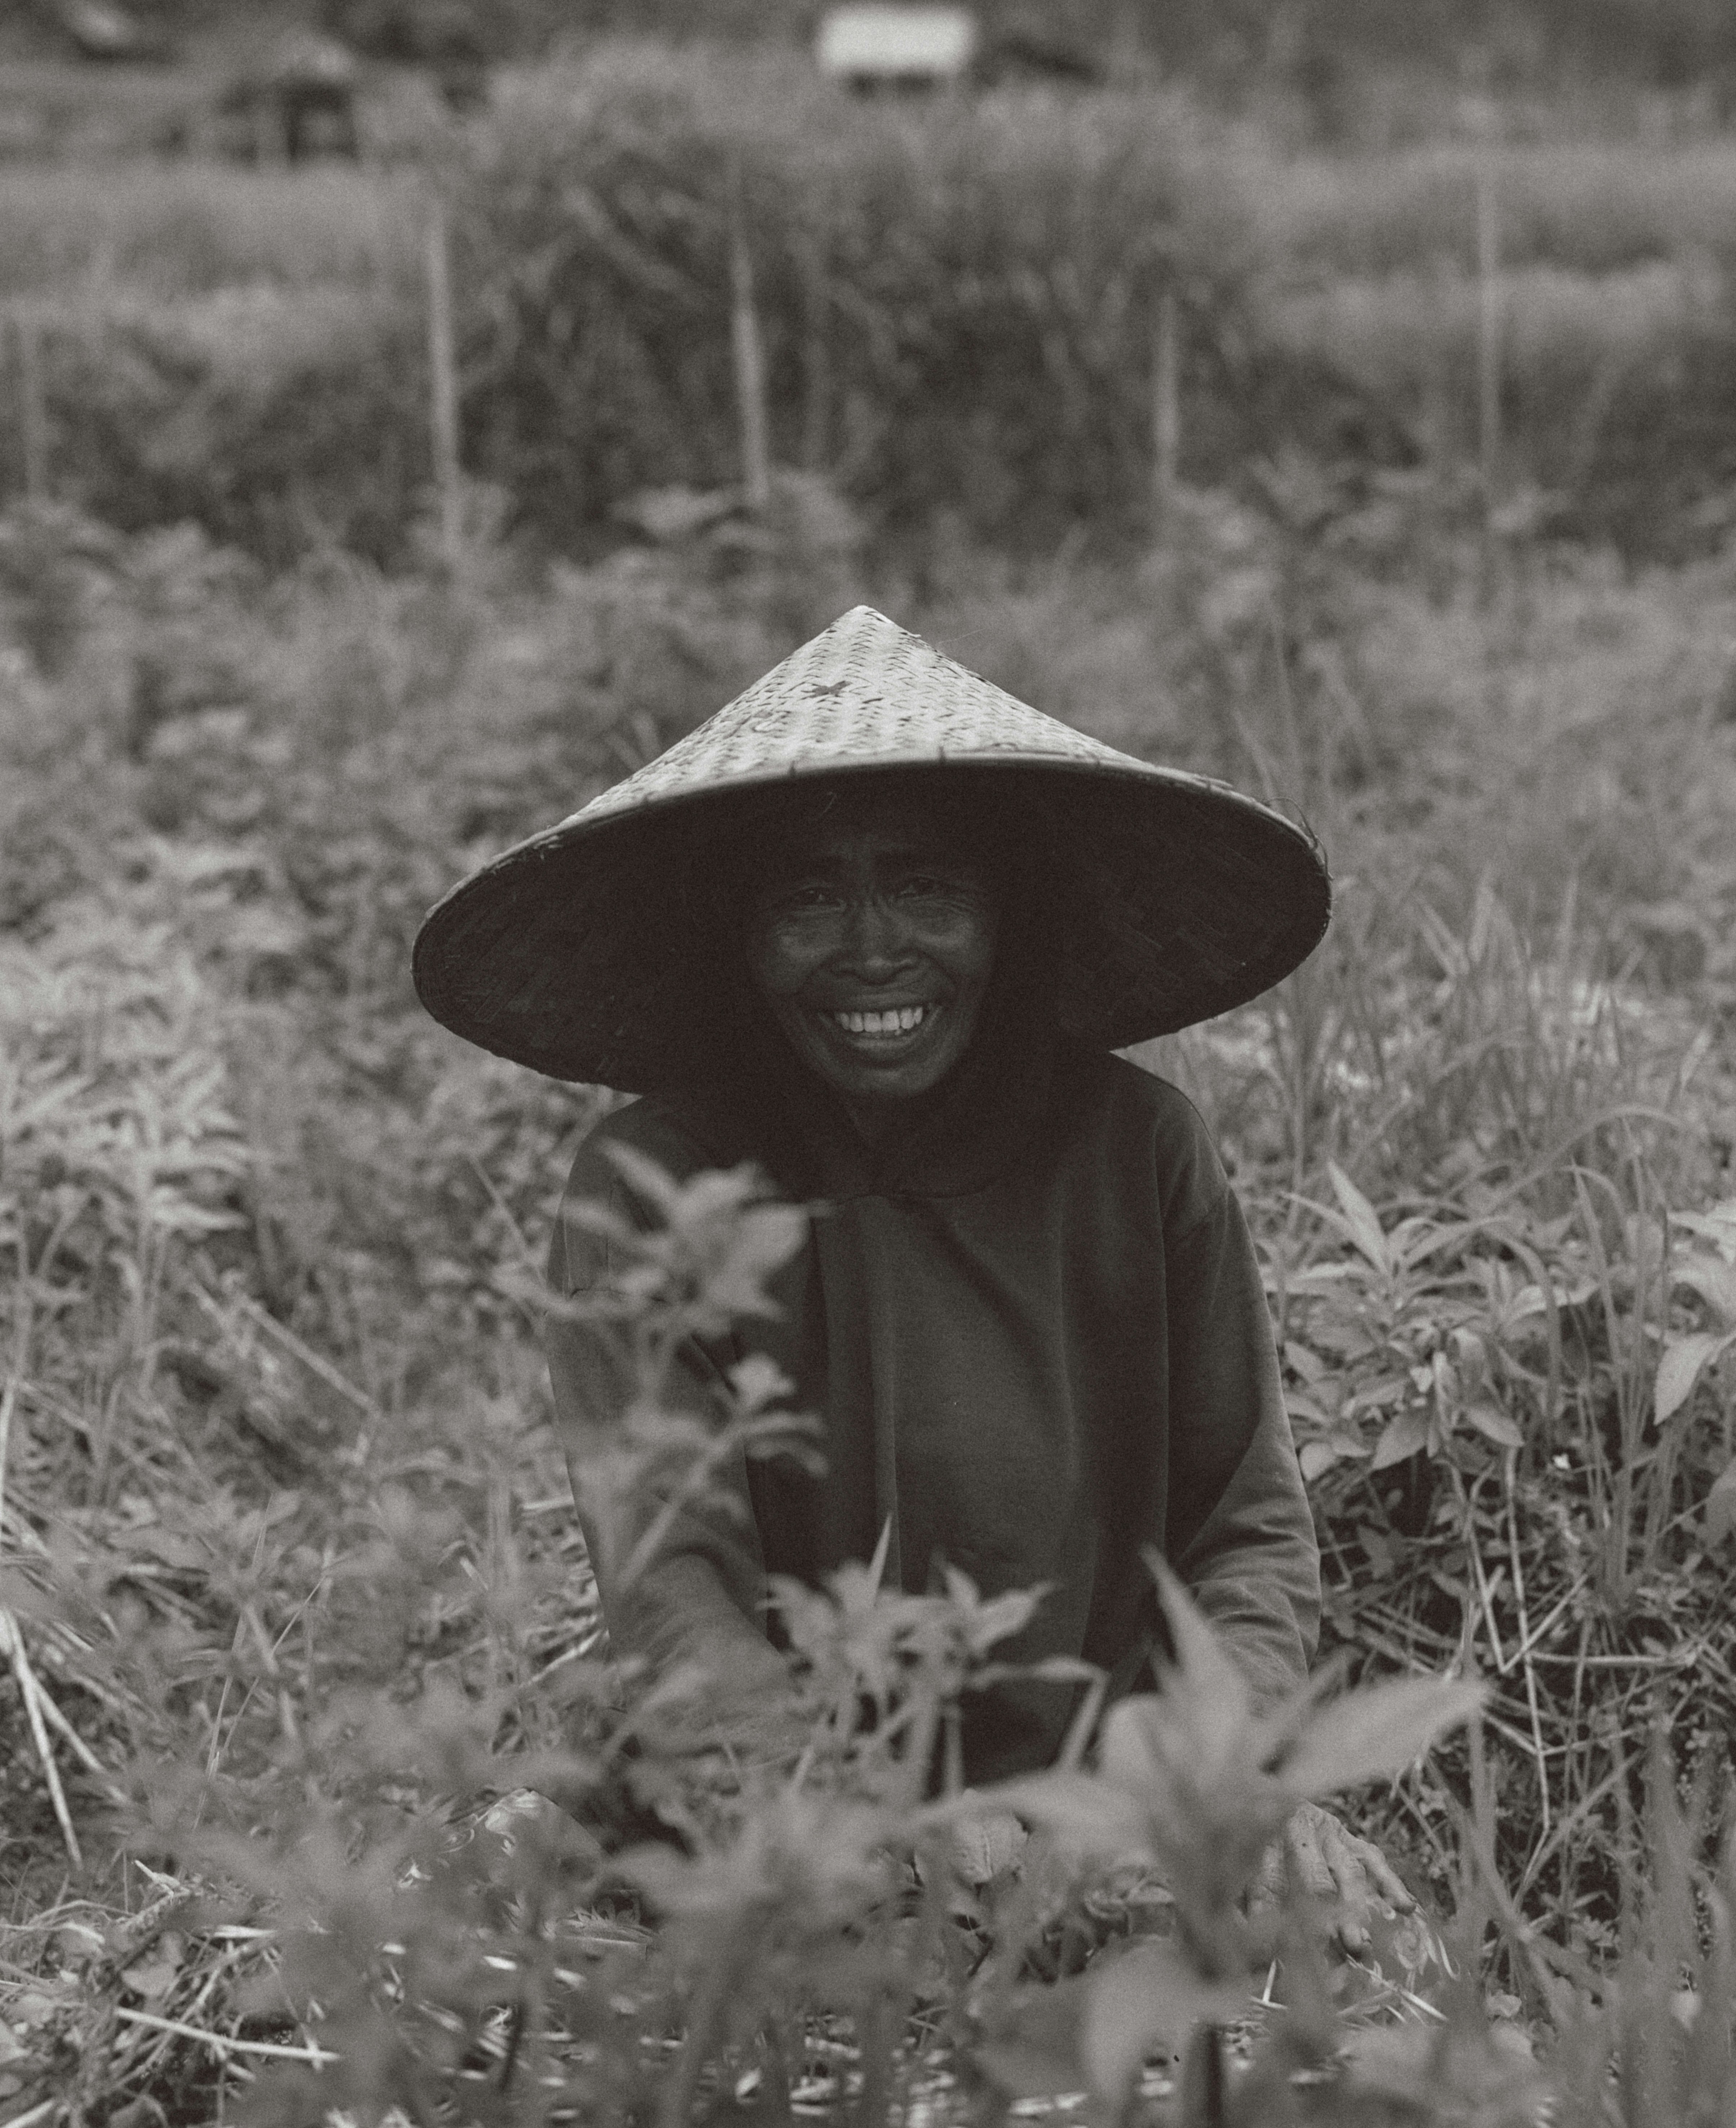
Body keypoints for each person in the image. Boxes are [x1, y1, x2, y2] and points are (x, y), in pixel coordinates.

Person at [414, 605, 1412, 1941]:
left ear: (1008, 913)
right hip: (768, 1814)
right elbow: (674, 1589)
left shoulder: (1139, 1152)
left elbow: (1245, 1530)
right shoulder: (651, 1189)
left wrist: (1175, 1790)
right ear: (735, 934)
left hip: (1105, 1809)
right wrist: (847, 1838)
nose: (874, 949)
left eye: (928, 888)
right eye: (808, 899)